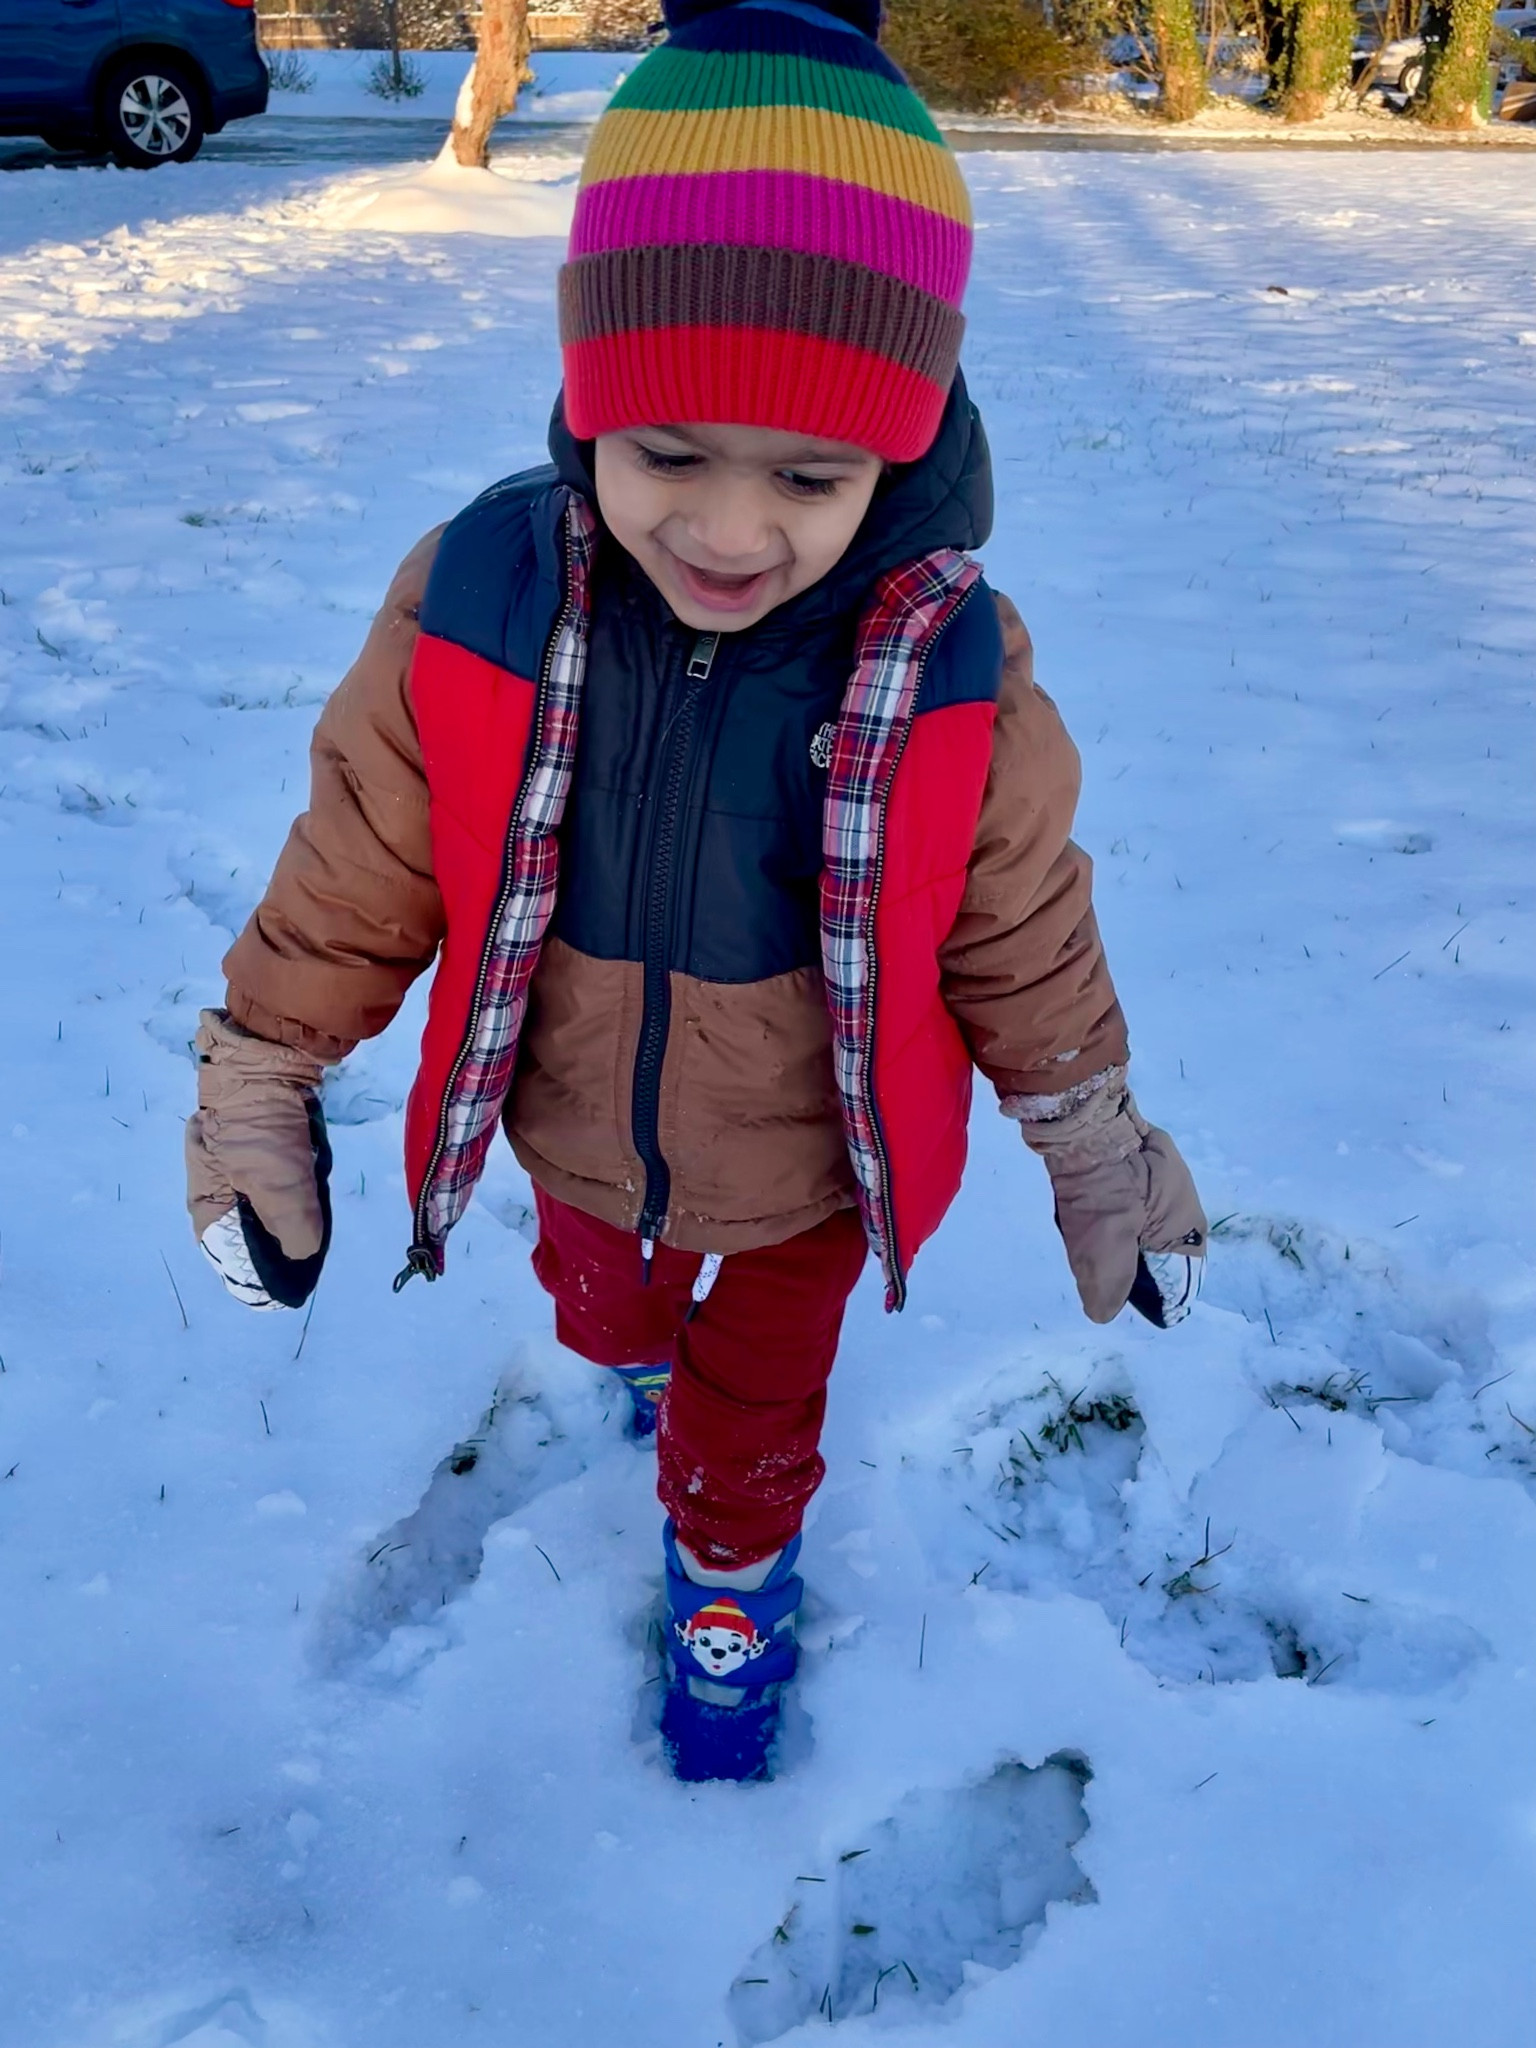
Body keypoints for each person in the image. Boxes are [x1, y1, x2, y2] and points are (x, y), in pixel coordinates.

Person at [183, 0, 1207, 1783]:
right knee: (608, 1315)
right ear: (591, 401)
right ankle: (643, 1357)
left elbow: (1021, 923)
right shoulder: (483, 597)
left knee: (752, 1417)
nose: (731, 533)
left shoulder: (948, 661)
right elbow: (360, 856)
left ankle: (730, 1586)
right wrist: (261, 1072)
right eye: (669, 454)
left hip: (814, 1163)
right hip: (571, 1128)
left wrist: (1095, 1142)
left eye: (809, 477)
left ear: (898, 450)